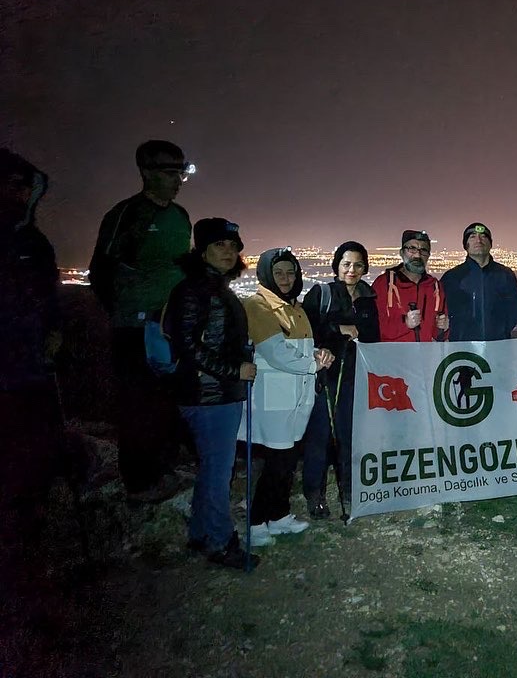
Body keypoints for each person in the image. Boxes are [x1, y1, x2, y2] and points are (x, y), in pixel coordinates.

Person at [88, 140, 193, 500]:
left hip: (170, 325)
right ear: (146, 172)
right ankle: (139, 481)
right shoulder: (127, 214)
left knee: (167, 400)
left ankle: (164, 468)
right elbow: (101, 270)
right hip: (134, 326)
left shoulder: (179, 216)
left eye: (180, 172)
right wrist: (125, 310)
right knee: (138, 402)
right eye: (168, 172)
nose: (177, 180)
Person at [165, 218, 259, 569]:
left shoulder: (215, 288)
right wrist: (235, 370)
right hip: (208, 395)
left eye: (233, 246)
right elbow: (188, 346)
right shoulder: (195, 291)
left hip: (216, 393)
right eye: (220, 245)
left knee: (212, 468)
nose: (229, 251)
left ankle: (201, 532)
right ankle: (221, 542)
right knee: (220, 471)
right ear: (201, 250)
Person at [240, 248, 334, 546]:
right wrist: (313, 364)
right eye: (278, 272)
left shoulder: (294, 306)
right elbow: (275, 352)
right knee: (277, 462)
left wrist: (318, 353)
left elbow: (299, 347)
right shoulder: (258, 305)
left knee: (288, 460)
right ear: (265, 274)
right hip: (274, 398)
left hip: (296, 396)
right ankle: (256, 522)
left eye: (290, 273)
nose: (285, 278)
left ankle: (278, 515)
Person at [0, 149, 64, 559]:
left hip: (29, 357)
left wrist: (54, 330)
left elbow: (50, 294)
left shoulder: (32, 241)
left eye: (24, 186)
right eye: (11, 185)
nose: (19, 193)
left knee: (31, 433)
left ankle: (29, 515)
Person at [302, 241, 380, 519]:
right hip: (325, 378)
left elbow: (374, 337)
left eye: (358, 264)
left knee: (349, 436)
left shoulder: (369, 299)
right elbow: (307, 331)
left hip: (354, 378)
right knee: (320, 438)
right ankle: (315, 495)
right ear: (337, 266)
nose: (352, 270)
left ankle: (349, 490)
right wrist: (338, 329)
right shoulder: (322, 294)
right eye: (346, 264)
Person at [441, 222, 517, 342]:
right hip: (462, 346)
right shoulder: (453, 277)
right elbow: (441, 310)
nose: (478, 240)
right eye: (472, 237)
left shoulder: (505, 275)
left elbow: (515, 309)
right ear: (466, 245)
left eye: (483, 236)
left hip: (498, 344)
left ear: (490, 244)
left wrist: (501, 331)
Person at [371, 230, 448, 342]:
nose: (417, 255)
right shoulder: (383, 284)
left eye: (423, 250)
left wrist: (443, 328)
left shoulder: (435, 286)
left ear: (428, 256)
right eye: (412, 249)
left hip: (425, 352)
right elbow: (372, 328)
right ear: (402, 252)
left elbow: (438, 335)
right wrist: (404, 323)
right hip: (390, 352)